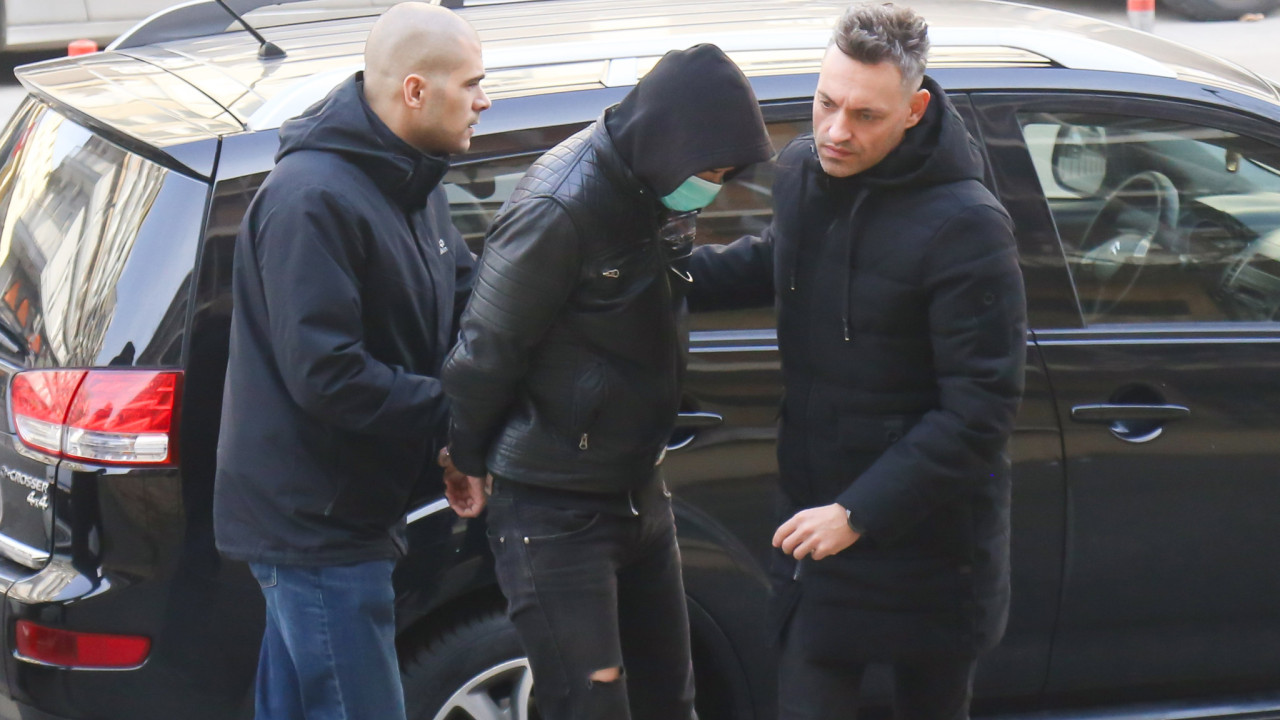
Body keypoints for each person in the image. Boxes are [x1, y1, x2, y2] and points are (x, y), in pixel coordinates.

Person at [687, 4, 1028, 719]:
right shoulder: (804, 170)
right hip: (816, 529)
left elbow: (980, 413)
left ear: (914, 111)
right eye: (826, 103)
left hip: (929, 548)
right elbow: (778, 260)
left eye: (866, 115)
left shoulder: (967, 226)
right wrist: (657, 275)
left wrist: (856, 512)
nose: (837, 131)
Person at [441, 44, 773, 720]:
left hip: (637, 488)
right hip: (554, 505)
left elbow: (667, 283)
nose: (711, 188)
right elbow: (487, 347)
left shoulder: (651, 185)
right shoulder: (560, 206)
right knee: (590, 704)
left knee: (667, 701)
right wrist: (465, 454)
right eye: (708, 173)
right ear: (667, 143)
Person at [212, 4, 489, 719]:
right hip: (316, 528)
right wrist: (455, 415)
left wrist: (454, 443)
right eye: (472, 84)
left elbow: (460, 305)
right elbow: (329, 375)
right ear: (415, 91)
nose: (484, 101)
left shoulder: (411, 182)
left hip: (348, 514)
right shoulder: (311, 199)